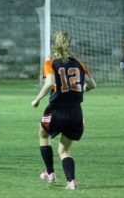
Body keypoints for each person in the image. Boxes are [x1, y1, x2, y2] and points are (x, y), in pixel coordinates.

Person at [31, 31, 96, 190]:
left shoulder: (51, 63)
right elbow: (92, 84)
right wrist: (79, 91)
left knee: (43, 135)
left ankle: (50, 173)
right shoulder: (79, 63)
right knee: (64, 149)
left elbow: (49, 83)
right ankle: (71, 181)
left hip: (56, 110)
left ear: (53, 45)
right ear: (69, 45)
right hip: (76, 113)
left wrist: (37, 99)